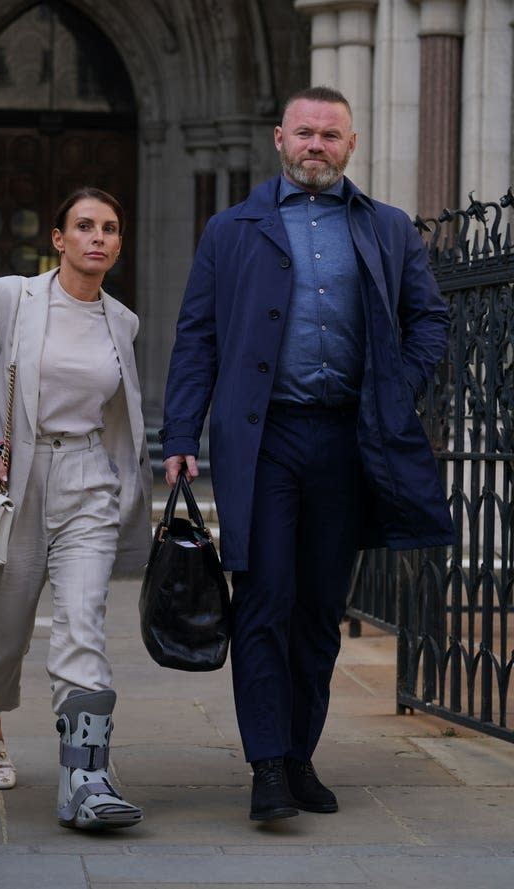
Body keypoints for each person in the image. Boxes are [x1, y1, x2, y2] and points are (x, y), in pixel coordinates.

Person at [160, 86, 454, 823]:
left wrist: (396, 386)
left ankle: (298, 754)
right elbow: (196, 337)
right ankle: (265, 765)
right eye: (305, 133)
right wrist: (178, 435)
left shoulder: (388, 229)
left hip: (351, 440)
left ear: (351, 145)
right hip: (264, 440)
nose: (316, 145)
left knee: (322, 606)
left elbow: (431, 321)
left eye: (331, 134)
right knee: (264, 598)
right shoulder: (231, 230)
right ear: (278, 140)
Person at [0, 186, 152, 830]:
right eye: (84, 226)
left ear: (119, 243)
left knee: (83, 623)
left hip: (87, 477)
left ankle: (86, 777)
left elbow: (119, 413)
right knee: (2, 633)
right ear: (57, 239)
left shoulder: (123, 321)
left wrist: (127, 482)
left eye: (110, 228)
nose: (98, 238)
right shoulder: (11, 298)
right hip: (14, 477)